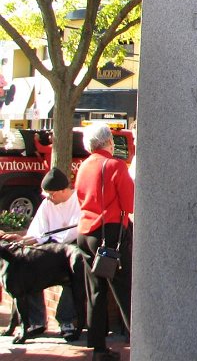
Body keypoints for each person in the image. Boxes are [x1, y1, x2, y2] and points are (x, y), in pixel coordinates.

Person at [0, 167, 83, 341]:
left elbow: (74, 232)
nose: (49, 199)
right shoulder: (47, 204)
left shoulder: (78, 201)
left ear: (63, 190)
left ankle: (66, 320)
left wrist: (49, 239)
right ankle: (36, 322)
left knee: (71, 281)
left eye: (52, 194)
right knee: (27, 270)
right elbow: (38, 232)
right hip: (49, 250)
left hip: (68, 251)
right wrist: (22, 239)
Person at [74, 124, 134, 361]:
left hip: (85, 233)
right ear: (108, 141)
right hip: (110, 235)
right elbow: (129, 204)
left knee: (96, 292)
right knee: (124, 288)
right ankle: (137, 338)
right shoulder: (115, 165)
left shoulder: (84, 166)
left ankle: (98, 347)